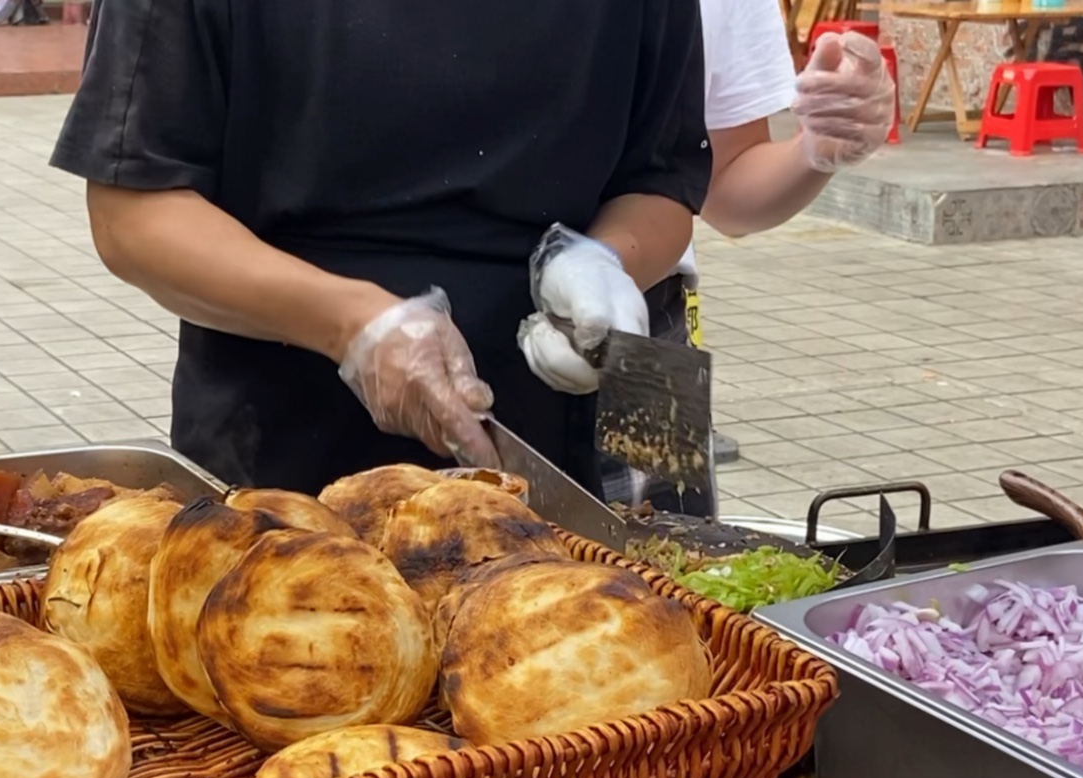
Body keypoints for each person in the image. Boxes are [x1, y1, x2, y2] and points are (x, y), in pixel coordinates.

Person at [53, 1, 710, 497]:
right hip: (280, 451)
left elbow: (659, 180)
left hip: (561, 443)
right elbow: (130, 214)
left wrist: (602, 263)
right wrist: (354, 324)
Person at [528, 8, 895, 514]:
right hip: (417, 326)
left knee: (671, 576)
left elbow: (724, 185)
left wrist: (817, 147)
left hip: (642, 327)